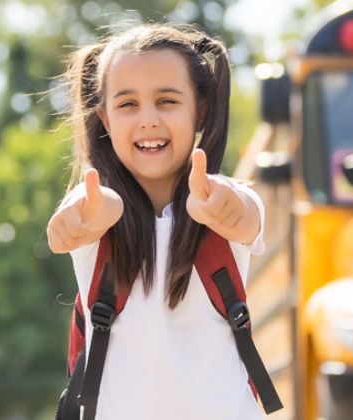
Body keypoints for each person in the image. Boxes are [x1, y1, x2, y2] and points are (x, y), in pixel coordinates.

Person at [46, 24, 266, 420]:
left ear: (200, 109)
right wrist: (88, 215)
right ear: (106, 120)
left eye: (166, 100)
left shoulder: (227, 199)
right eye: (127, 104)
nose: (147, 119)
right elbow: (99, 206)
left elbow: (244, 216)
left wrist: (217, 206)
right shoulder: (92, 204)